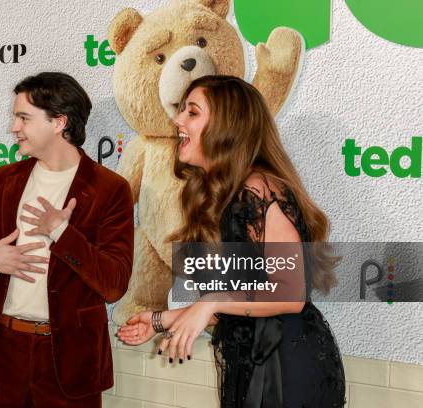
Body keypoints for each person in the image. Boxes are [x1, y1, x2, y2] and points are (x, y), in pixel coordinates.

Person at [117, 75, 346, 407]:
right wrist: (159, 320)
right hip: (254, 362)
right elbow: (243, 300)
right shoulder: (227, 195)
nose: (177, 120)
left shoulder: (260, 189)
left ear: (227, 126)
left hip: (285, 369)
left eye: (192, 112)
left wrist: (209, 303)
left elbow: (289, 292)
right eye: (182, 110)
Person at [0, 72, 134, 407]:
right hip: (1, 356)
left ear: (59, 122)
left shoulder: (109, 190)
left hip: (68, 364)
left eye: (24, 117)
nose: (14, 127)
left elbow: (114, 284)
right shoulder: (4, 181)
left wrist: (61, 233)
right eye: (16, 117)